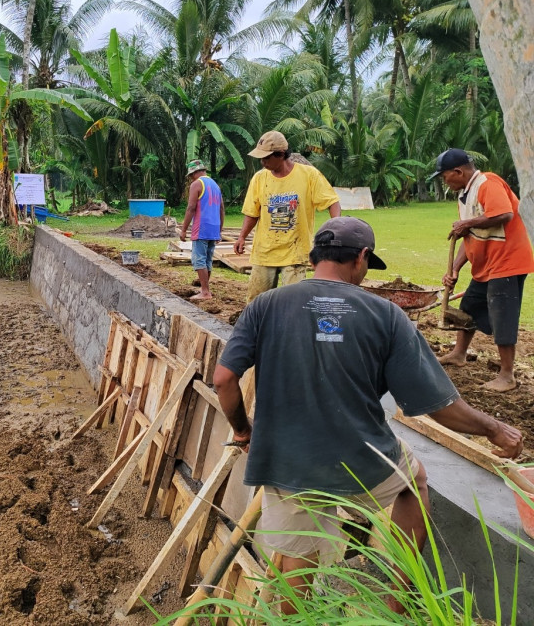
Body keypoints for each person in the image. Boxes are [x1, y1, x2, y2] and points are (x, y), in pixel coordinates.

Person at [213, 217, 523, 615]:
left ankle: (296, 619)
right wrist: (495, 430)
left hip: (288, 462)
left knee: (296, 563)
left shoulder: (265, 305)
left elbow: (224, 379)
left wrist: (243, 431)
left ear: (314, 257)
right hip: (362, 461)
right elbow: (439, 406)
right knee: (414, 482)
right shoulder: (386, 315)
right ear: (360, 257)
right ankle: (397, 602)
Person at [433, 148, 534, 392]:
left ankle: (507, 376)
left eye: (445, 176)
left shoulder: (488, 183)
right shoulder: (464, 195)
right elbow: (470, 236)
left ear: (458, 172)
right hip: (487, 265)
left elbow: (504, 214)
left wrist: (467, 223)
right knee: (469, 306)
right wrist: (455, 269)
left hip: (507, 263)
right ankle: (459, 353)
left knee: (502, 315)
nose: (445, 182)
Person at [235, 131, 341, 302]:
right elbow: (252, 213)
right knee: (256, 301)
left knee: (293, 301)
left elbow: (332, 202)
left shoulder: (309, 175)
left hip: (296, 252)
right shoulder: (259, 178)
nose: (262, 162)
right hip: (265, 251)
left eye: (266, 158)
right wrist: (242, 237)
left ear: (281, 154)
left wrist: (336, 228)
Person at [180, 159, 225, 301]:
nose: (191, 178)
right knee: (207, 259)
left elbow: (191, 208)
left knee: (199, 259)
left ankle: (205, 292)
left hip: (201, 227)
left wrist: (184, 229)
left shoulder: (196, 184)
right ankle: (205, 289)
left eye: (190, 176)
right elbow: (221, 209)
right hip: (213, 228)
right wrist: (219, 230)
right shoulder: (215, 185)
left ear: (193, 173)